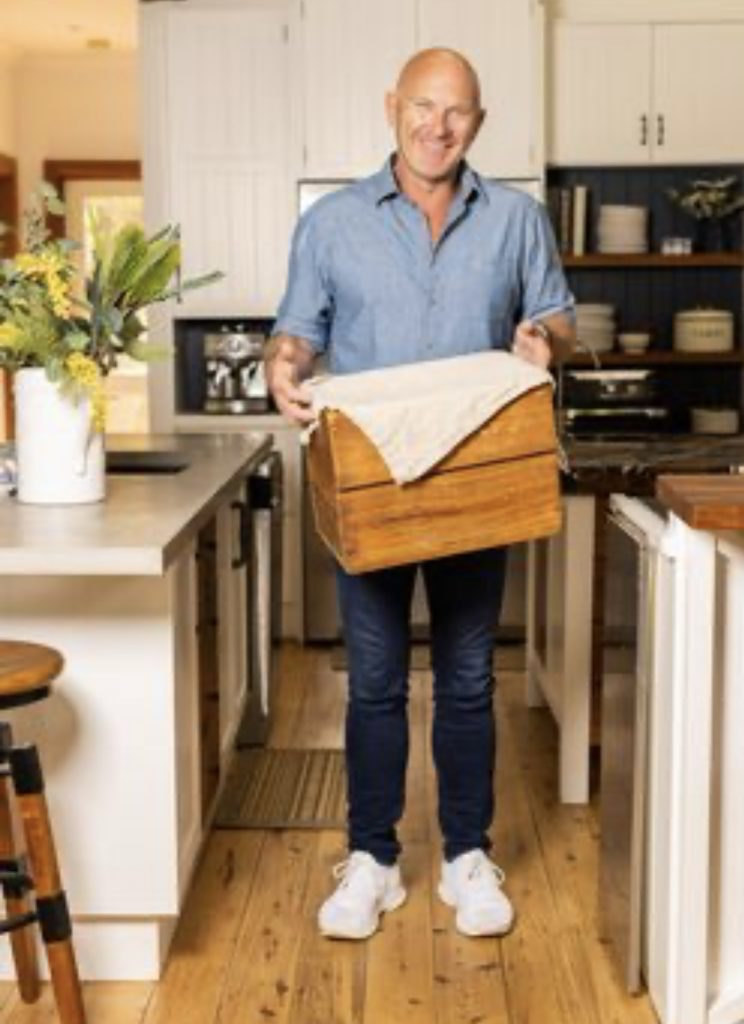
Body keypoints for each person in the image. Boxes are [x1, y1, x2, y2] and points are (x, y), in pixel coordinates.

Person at [266, 47, 575, 941]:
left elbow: (557, 315)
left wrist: (545, 342)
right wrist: (282, 368)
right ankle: (373, 859)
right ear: (391, 106)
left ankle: (465, 856)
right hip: (370, 483)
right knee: (373, 683)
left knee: (469, 680)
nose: (438, 127)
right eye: (423, 106)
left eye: (457, 112)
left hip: (477, 479)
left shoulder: (516, 219)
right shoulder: (331, 224)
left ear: (478, 123)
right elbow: (296, 334)